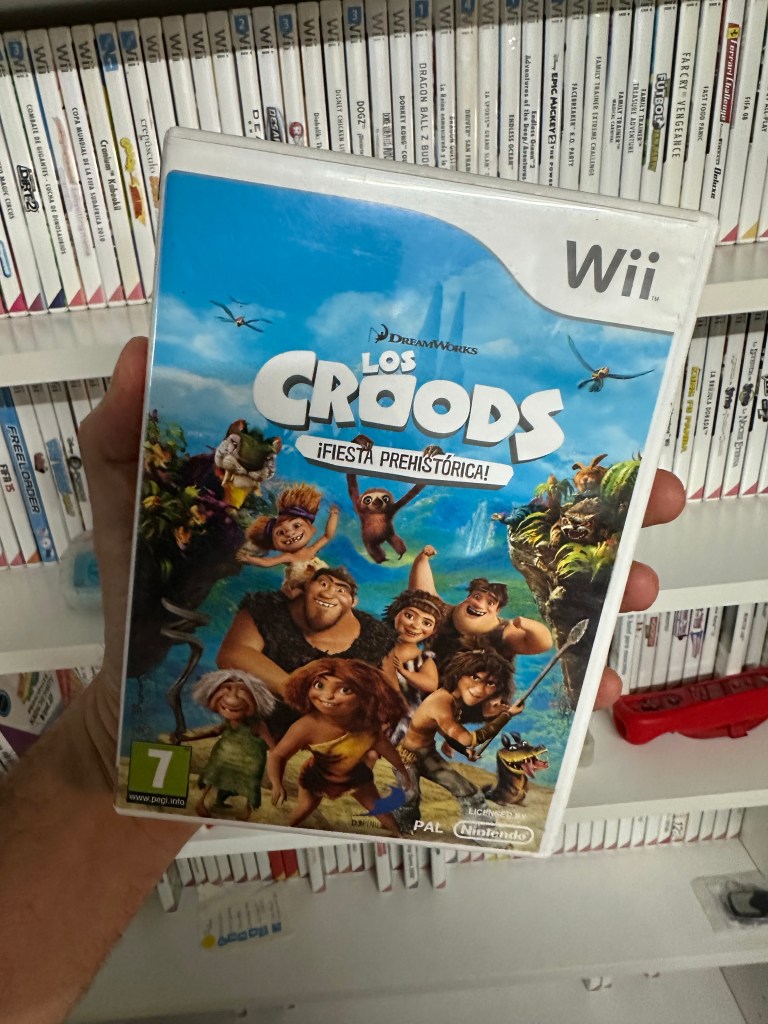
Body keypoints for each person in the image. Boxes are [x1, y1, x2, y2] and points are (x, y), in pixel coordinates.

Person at [0, 337, 685, 1024]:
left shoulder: (383, 639)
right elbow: (250, 668)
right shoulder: (272, 610)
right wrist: (308, 691)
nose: (327, 593)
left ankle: (413, 802)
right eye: (319, 585)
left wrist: (433, 687)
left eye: (338, 588)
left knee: (391, 778)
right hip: (302, 731)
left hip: (362, 740)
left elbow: (408, 682)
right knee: (322, 780)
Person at [266, 658, 409, 836]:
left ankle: (399, 836)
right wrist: (277, 784)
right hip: (317, 777)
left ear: (366, 696)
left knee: (382, 813)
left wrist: (403, 772)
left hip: (355, 777)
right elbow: (277, 755)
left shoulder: (368, 726)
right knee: (304, 809)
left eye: (344, 690)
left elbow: (387, 750)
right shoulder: (306, 726)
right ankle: (282, 833)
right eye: (319, 685)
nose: (327, 696)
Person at [394, 647, 520, 829]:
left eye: (491, 683)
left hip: (428, 754)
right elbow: (467, 738)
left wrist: (464, 751)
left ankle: (481, 831)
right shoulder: (440, 702)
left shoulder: (456, 701)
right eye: (475, 677)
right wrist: (506, 716)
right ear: (459, 674)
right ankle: (399, 827)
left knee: (468, 791)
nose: (480, 690)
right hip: (405, 758)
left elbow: (446, 732)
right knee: (409, 797)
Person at [408, 553, 553, 666]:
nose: (479, 605)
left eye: (490, 602)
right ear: (468, 597)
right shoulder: (447, 613)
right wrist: (422, 559)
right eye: (477, 597)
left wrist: (526, 624)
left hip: (476, 689)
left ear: (497, 610)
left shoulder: (502, 633)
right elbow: (422, 596)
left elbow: (543, 643)